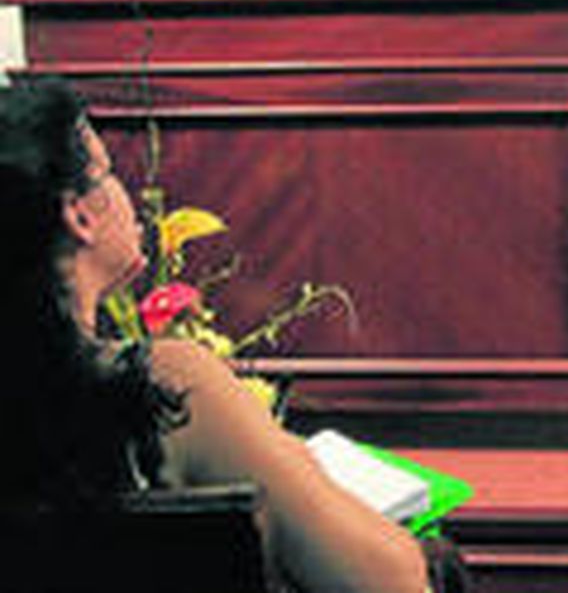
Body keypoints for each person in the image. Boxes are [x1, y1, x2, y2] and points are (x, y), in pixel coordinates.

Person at [0, 76, 430, 592]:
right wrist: (291, 461)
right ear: (78, 216)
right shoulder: (166, 380)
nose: (125, 190)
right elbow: (392, 580)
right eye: (108, 172)